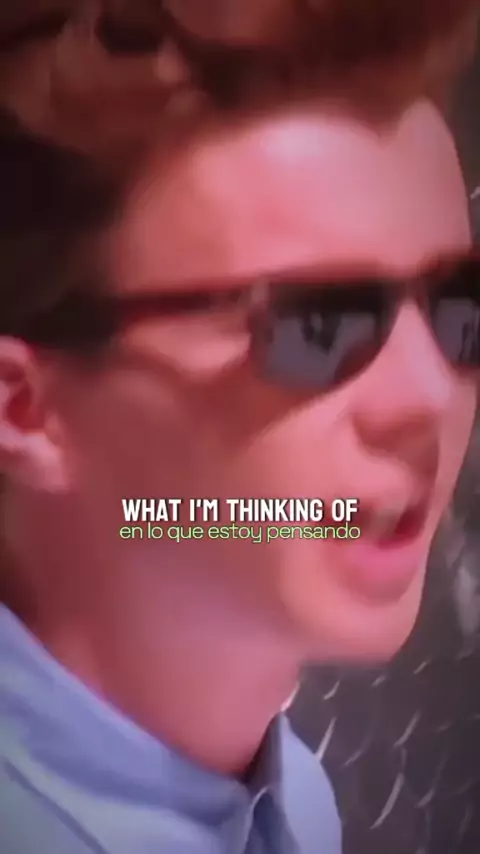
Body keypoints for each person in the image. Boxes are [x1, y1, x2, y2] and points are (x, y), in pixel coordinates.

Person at [0, 1, 479, 852]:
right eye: (313, 327)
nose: (427, 393)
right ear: (23, 409)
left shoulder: (287, 799)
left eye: (459, 308)